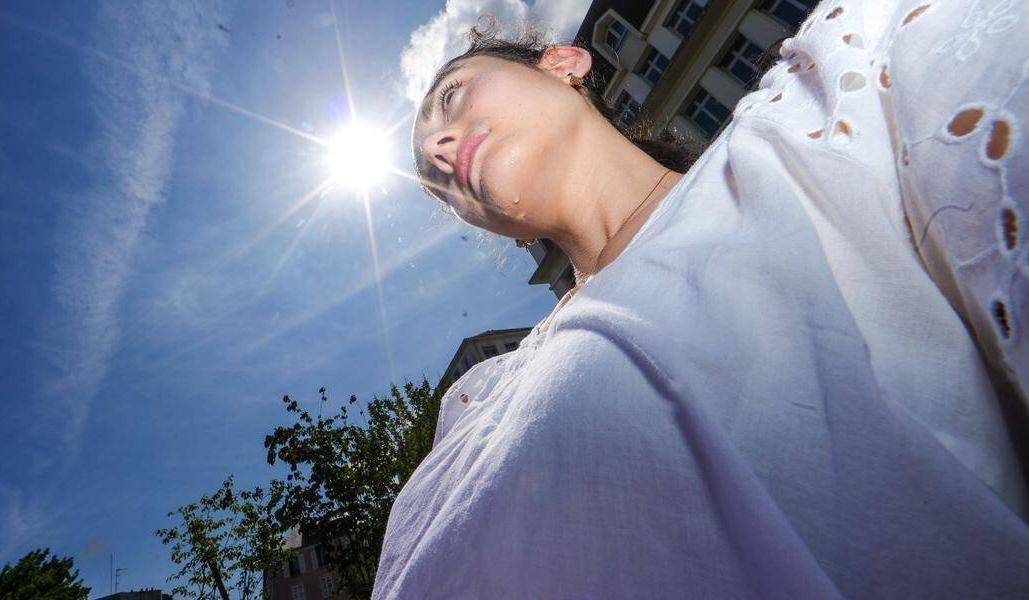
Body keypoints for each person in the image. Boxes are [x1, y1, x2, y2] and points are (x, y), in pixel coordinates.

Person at [375, 0, 1029, 598]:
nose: (439, 150)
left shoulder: (823, 117)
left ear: (564, 63)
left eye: (453, 96)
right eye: (434, 181)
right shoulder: (476, 404)